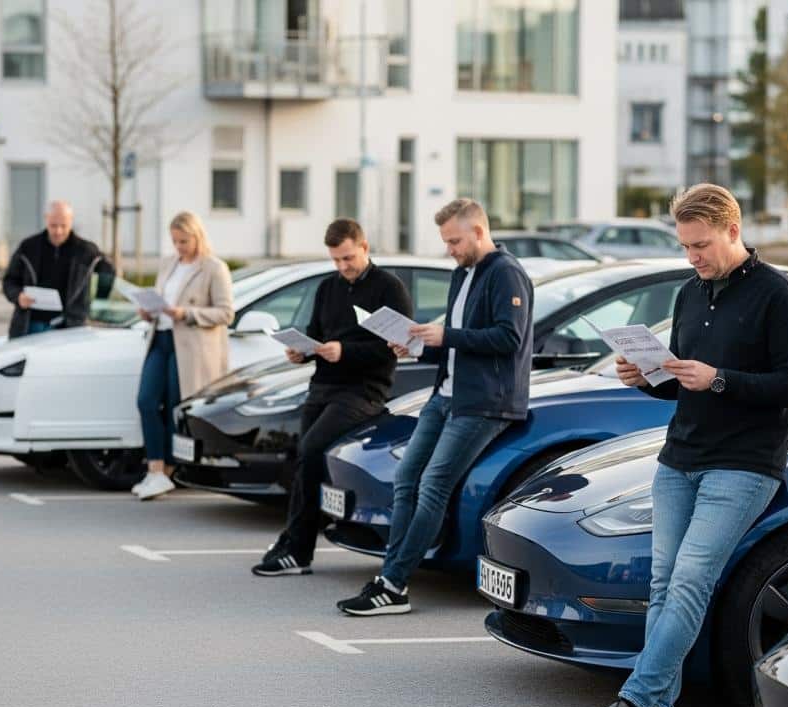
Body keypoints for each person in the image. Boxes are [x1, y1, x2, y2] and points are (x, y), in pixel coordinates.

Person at [570, 183, 788, 707]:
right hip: (680, 458)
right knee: (662, 586)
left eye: (700, 245)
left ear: (733, 230)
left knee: (688, 582)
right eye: (685, 247)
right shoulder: (689, 292)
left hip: (744, 464)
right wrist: (649, 377)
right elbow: (684, 380)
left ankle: (633, 702)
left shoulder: (780, 295)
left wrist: (721, 378)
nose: (693, 257)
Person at [334, 198, 533, 616]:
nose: (450, 250)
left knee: (433, 486)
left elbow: (508, 339)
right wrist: (415, 346)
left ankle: (393, 583)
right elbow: (452, 345)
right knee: (406, 478)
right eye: (446, 242)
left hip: (483, 404)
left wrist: (446, 336)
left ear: (479, 232)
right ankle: (391, 578)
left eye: (455, 241)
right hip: (445, 395)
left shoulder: (507, 274)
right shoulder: (462, 273)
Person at [251, 218, 414, 577]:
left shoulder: (390, 288)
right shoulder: (328, 288)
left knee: (311, 451)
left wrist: (345, 351)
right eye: (336, 260)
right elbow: (314, 334)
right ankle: (294, 544)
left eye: (348, 258)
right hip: (323, 386)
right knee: (303, 457)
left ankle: (296, 547)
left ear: (365, 247)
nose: (343, 267)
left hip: (364, 391)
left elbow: (392, 350)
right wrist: (301, 352)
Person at [133, 212, 235, 500]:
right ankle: (154, 469)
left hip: (190, 346)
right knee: (147, 401)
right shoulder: (169, 264)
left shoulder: (214, 268)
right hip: (161, 338)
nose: (179, 247)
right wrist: (147, 310)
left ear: (197, 236)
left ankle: (166, 472)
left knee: (176, 405)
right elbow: (160, 298)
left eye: (184, 241)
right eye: (175, 241)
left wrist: (186, 313)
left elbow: (226, 312)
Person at [2, 200, 115, 337]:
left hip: (71, 326)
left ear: (71, 221)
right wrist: (18, 296)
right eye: (53, 225)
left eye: (63, 226)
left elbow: (108, 273)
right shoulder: (28, 247)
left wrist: (98, 304)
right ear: (46, 219)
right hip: (30, 325)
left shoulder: (86, 251)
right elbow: (9, 281)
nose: (58, 231)